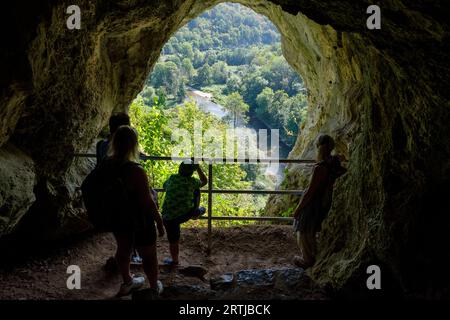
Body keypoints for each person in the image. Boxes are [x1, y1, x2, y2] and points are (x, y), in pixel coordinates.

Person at [105, 125, 165, 296]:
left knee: (123, 249)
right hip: (139, 220)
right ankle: (154, 287)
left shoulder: (107, 165)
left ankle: (127, 282)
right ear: (134, 145)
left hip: (117, 217)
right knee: (149, 255)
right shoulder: (136, 170)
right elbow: (147, 201)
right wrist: (160, 223)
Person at [292, 134, 347, 268]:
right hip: (325, 200)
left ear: (319, 148)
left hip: (314, 202)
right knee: (311, 230)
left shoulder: (320, 168)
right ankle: (313, 255)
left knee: (304, 230)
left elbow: (310, 192)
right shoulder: (334, 162)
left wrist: (298, 209)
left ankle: (308, 259)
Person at [161, 161, 208, 267]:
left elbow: (164, 186)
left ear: (179, 169)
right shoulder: (192, 182)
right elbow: (204, 181)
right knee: (197, 191)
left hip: (167, 217)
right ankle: (197, 212)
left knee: (173, 241)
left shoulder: (172, 178)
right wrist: (198, 168)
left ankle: (175, 261)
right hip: (183, 215)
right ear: (192, 172)